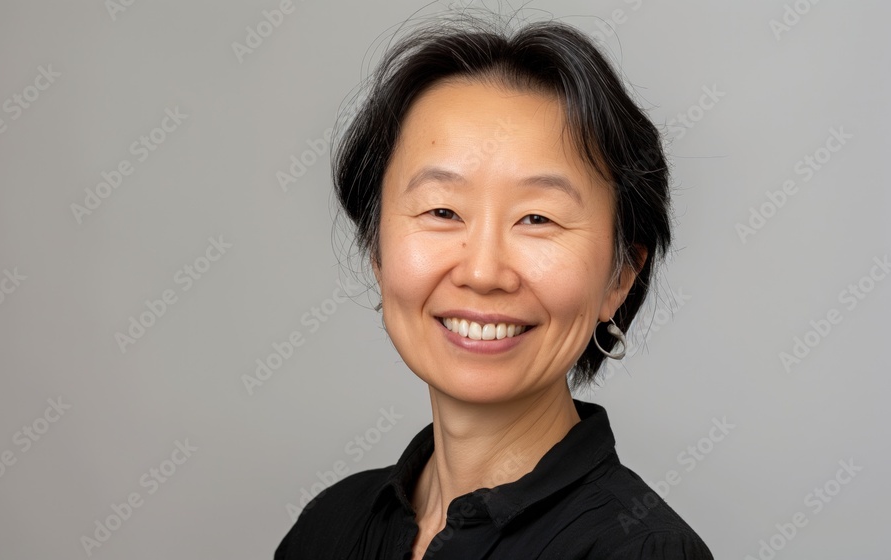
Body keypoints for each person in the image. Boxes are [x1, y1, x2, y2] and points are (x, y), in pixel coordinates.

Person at [276, 12, 714, 560]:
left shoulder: (641, 551)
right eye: (442, 210)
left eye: (537, 218)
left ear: (620, 276)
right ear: (377, 249)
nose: (482, 273)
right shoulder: (332, 526)